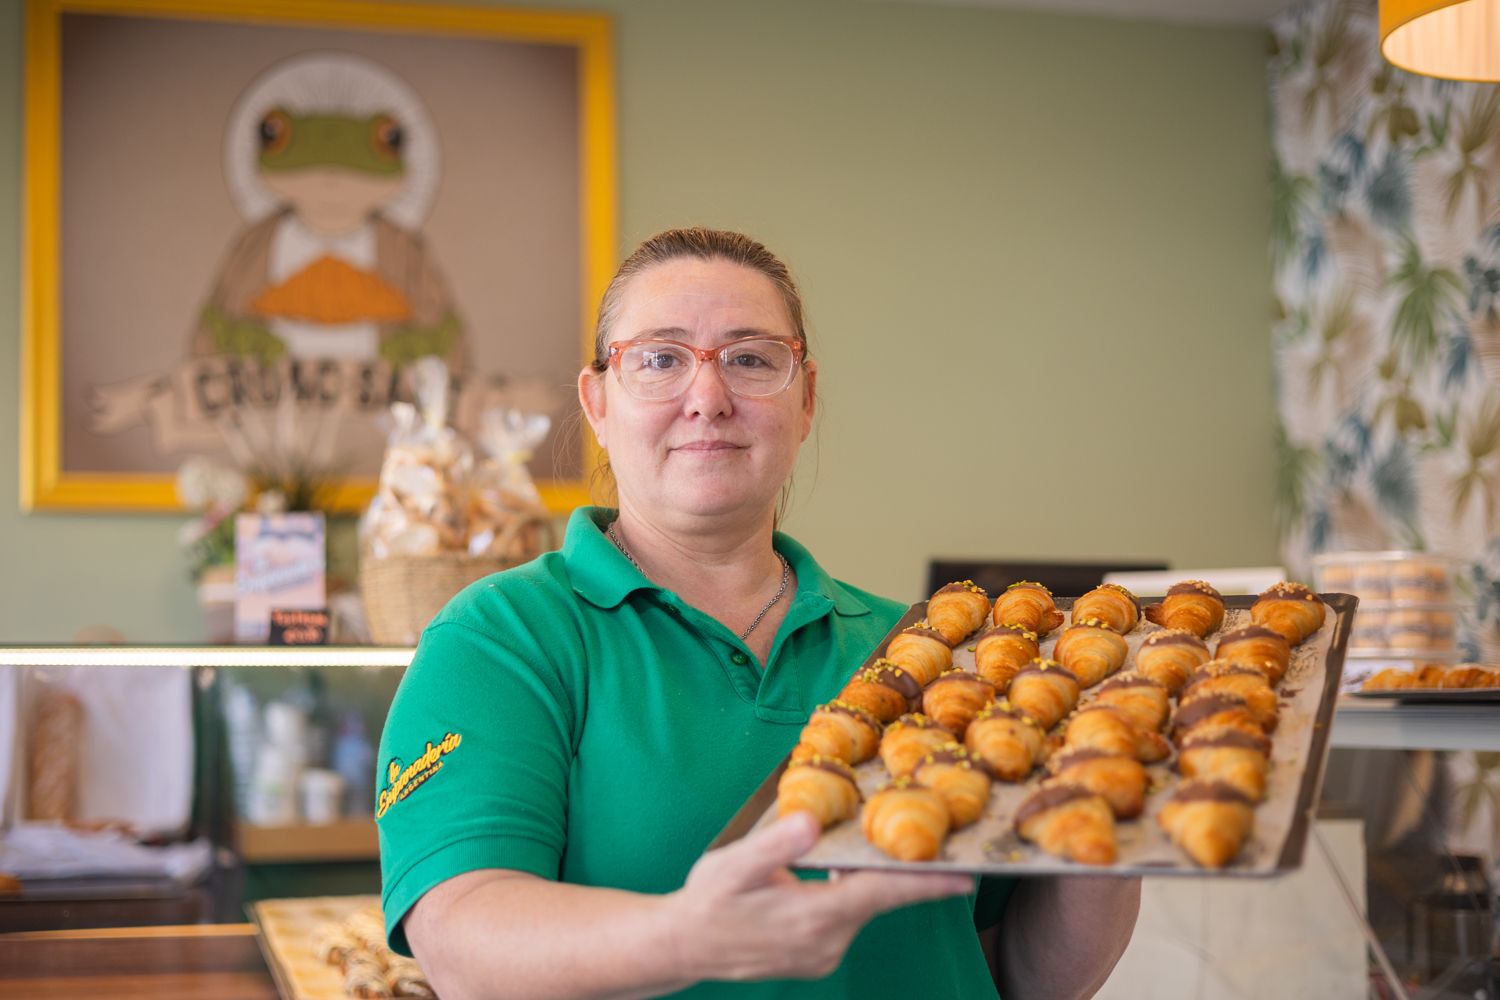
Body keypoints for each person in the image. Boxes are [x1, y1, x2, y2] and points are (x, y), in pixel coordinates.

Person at [375, 227, 1140, 999]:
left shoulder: (932, 651)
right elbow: (461, 944)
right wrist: (686, 938)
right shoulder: (502, 639)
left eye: (750, 358)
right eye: (660, 359)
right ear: (598, 403)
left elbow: (1014, 975)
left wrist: (1117, 821)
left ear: (805, 400)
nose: (708, 398)